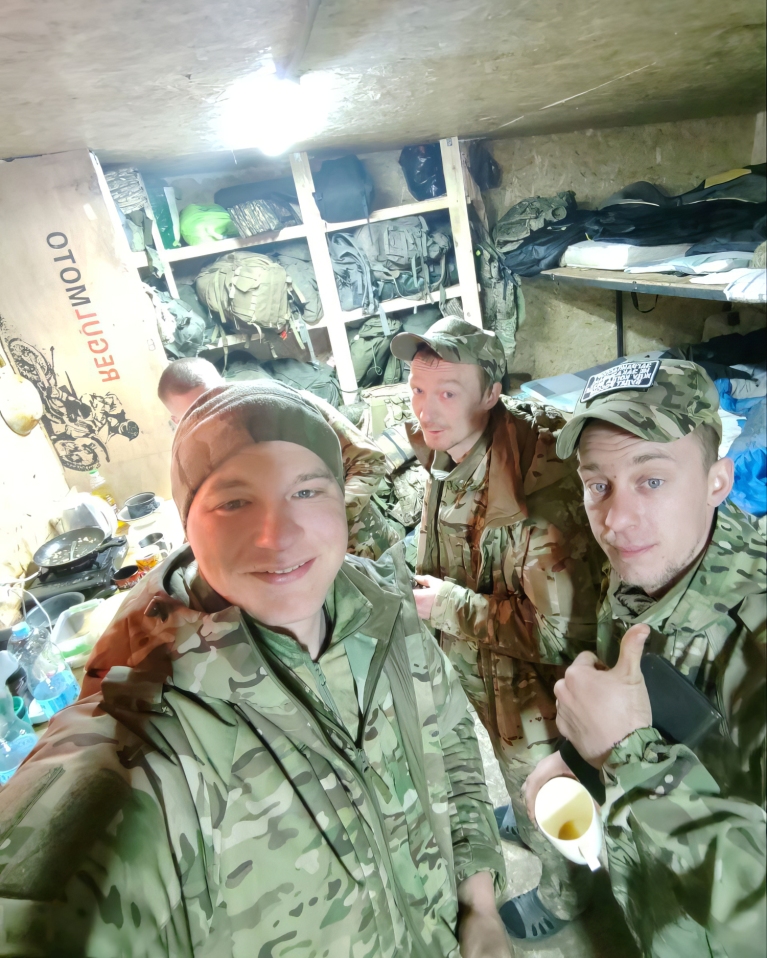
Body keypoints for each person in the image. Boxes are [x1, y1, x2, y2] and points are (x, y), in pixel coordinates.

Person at [0, 381, 509, 958]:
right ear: (188, 526)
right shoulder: (150, 729)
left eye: (307, 491)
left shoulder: (386, 613)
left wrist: (479, 903)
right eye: (234, 502)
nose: (278, 534)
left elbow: (452, 742)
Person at [525, 358, 766, 958]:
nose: (615, 520)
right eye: (597, 484)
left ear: (718, 482)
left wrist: (626, 756)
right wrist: (578, 762)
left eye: (651, 480)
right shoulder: (654, 561)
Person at [389, 317, 604, 940]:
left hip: (534, 685)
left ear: (491, 393)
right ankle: (527, 814)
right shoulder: (450, 442)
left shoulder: (540, 496)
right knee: (516, 778)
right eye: (417, 390)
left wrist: (448, 606)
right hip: (478, 662)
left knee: (548, 789)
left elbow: (560, 636)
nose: (426, 410)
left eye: (447, 392)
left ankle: (567, 897)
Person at [157, 357, 400, 560]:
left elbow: (369, 460)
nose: (213, 414)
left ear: (224, 383)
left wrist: (328, 517)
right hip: (290, 573)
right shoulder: (192, 458)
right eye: (197, 413)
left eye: (216, 398)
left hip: (363, 550)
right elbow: (199, 524)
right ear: (178, 421)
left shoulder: (288, 407)